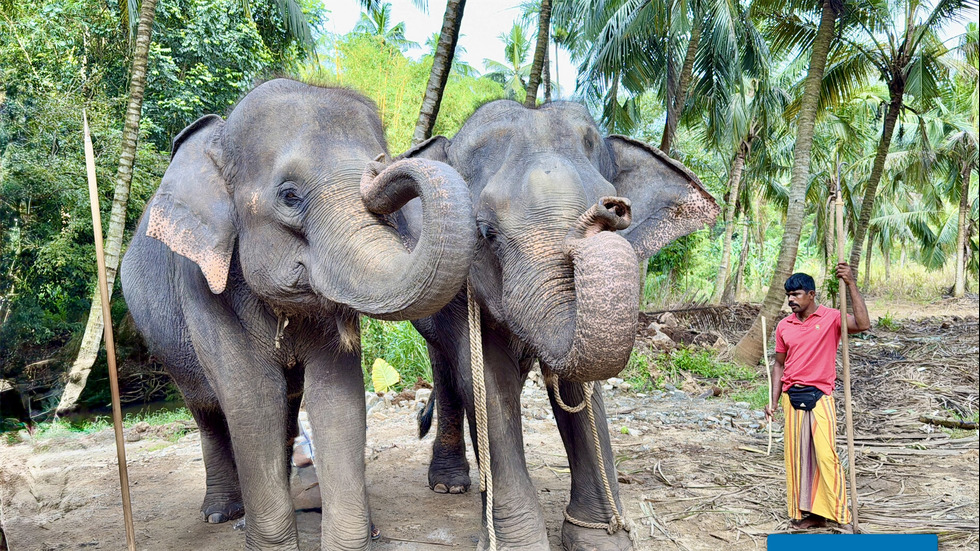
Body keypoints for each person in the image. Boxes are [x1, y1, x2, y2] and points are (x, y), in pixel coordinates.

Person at [763, 263, 870, 531]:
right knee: (799, 459)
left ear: (811, 295)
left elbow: (863, 324)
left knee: (825, 455)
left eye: (796, 294)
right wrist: (773, 401)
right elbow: (779, 365)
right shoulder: (783, 326)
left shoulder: (831, 317)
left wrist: (851, 283)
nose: (791, 300)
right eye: (789, 295)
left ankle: (839, 514)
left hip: (820, 396)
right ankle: (810, 514)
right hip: (791, 398)